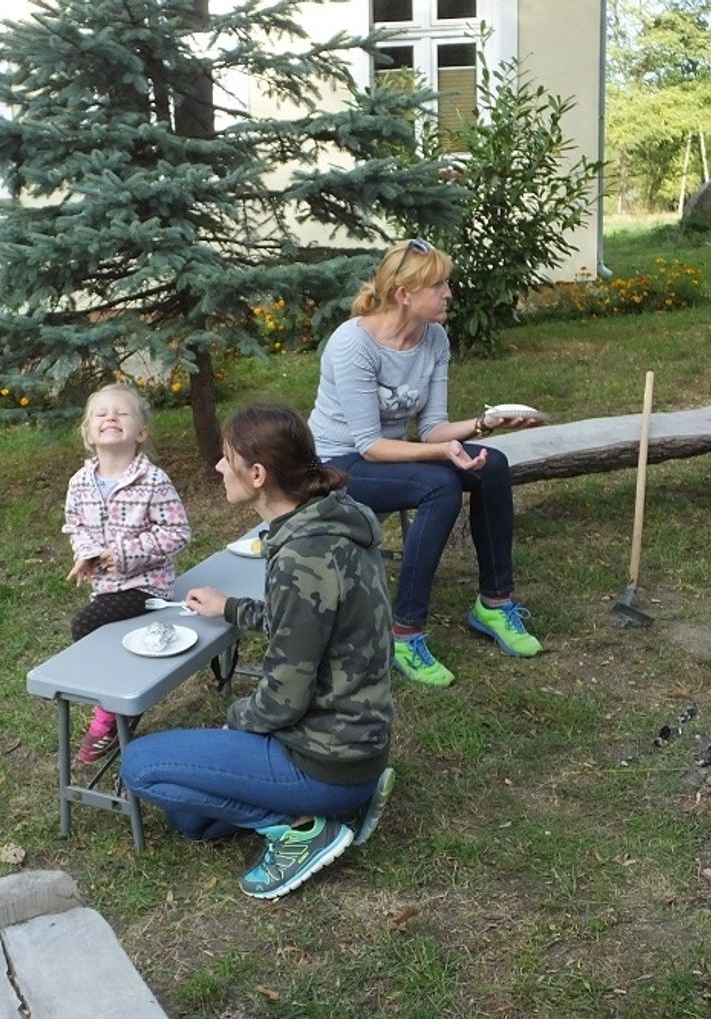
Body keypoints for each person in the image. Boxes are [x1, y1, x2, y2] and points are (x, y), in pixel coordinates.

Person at [119, 405, 396, 900]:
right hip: (360, 746)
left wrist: (238, 719)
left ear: (258, 475)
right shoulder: (334, 521)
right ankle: (334, 807)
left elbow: (284, 700)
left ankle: (302, 829)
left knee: (139, 765)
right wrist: (232, 609)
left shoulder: (301, 558)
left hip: (325, 759)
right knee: (192, 820)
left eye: (227, 459)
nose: (218, 467)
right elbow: (311, 620)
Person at [308, 238, 543, 689]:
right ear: (404, 294)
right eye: (438, 285)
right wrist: (441, 453)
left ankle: (494, 604)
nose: (449, 293)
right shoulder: (353, 344)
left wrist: (484, 423)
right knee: (440, 485)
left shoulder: (434, 337)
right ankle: (405, 633)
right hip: (335, 464)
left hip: (384, 455)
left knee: (492, 465)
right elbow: (370, 445)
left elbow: (433, 427)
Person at [63, 383, 191, 763]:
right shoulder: (79, 483)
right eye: (100, 414)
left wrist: (123, 554)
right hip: (106, 587)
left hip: (148, 586)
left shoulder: (153, 481)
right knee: (107, 637)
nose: (110, 418)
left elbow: (177, 532)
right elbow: (76, 527)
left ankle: (112, 712)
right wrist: (87, 555)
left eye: (121, 413)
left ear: (142, 432)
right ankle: (120, 698)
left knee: (85, 625)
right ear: (88, 434)